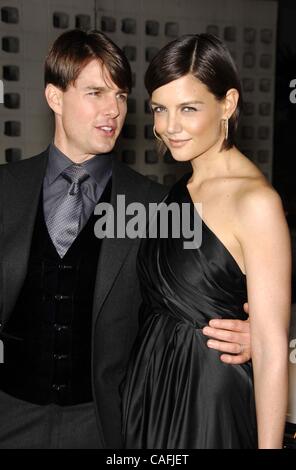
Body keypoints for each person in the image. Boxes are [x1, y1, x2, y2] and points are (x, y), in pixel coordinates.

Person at [0, 29, 251, 449]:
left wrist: (254, 331)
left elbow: (208, 286)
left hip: (104, 426)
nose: (113, 110)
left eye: (120, 95)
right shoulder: (6, 189)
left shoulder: (156, 205)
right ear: (54, 98)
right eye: (96, 92)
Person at [122, 33, 291, 449]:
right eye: (160, 109)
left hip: (208, 400)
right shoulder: (180, 189)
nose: (168, 127)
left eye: (188, 108)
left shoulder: (256, 202)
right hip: (152, 387)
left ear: (227, 104)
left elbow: (270, 350)